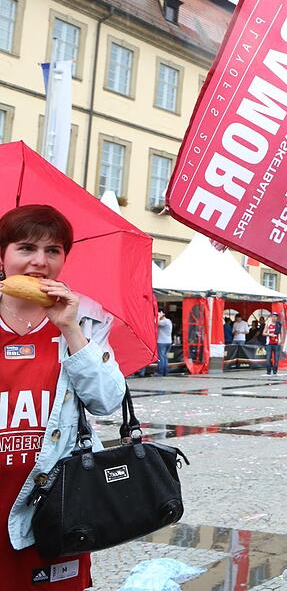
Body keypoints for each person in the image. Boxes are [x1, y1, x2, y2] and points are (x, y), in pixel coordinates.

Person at [0, 205, 126, 589]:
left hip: (54, 500)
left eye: (53, 250)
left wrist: (70, 328)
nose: (40, 262)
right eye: (26, 248)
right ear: (2, 256)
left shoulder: (86, 317)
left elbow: (106, 401)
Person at [156, 308, 172, 377]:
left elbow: (156, 323)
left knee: (161, 357)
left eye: (159, 313)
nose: (157, 314)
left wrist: (159, 316)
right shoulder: (169, 321)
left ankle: (160, 372)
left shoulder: (165, 321)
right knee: (164, 357)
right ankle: (165, 371)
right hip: (168, 341)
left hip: (162, 342)